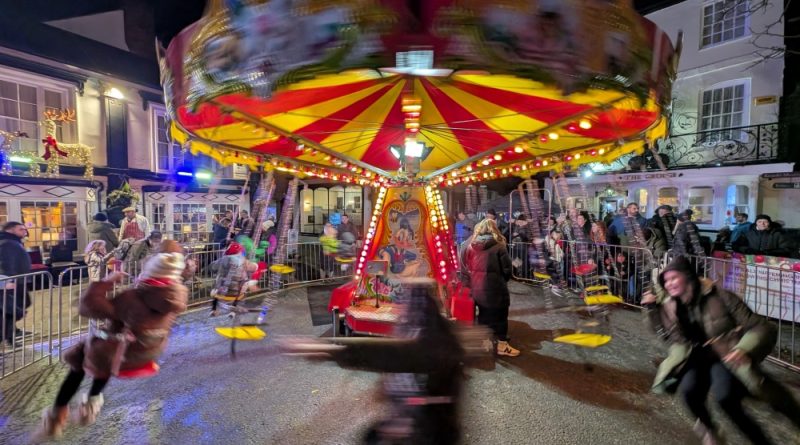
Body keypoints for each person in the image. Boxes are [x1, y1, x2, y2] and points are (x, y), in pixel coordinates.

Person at [280, 278, 466, 444]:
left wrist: (330, 349)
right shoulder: (419, 328)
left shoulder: (437, 341)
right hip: (414, 416)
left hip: (430, 428)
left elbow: (395, 354)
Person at [35, 241, 188, 440]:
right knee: (107, 359)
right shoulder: (178, 294)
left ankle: (57, 414)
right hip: (146, 351)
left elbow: (90, 308)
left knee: (82, 359)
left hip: (119, 352)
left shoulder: (132, 298)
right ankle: (91, 403)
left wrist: (107, 282)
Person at [642, 256, 800, 444]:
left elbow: (761, 326)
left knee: (727, 397)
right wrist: (652, 309)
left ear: (688, 276)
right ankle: (711, 431)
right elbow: (667, 336)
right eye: (666, 281)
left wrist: (743, 348)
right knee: (689, 392)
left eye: (673, 278)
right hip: (697, 357)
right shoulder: (671, 305)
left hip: (727, 353)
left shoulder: (721, 296)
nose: (669, 284)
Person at [462, 219, 519, 357]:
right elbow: (507, 270)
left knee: (483, 315)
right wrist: (501, 280)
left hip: (477, 288)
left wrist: (472, 283)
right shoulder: (499, 246)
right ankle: (502, 346)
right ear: (494, 229)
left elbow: (465, 267)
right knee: (500, 316)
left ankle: (485, 342)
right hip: (496, 288)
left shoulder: (470, 246)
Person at [0, 221, 32, 348]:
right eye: (21, 229)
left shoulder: (13, 242)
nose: (25, 231)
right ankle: (9, 337)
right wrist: (7, 282)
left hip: (17, 281)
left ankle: (11, 333)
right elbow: (5, 264)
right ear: (10, 230)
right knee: (10, 311)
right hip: (10, 283)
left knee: (18, 307)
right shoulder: (6, 243)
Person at [209, 242, 258, 317]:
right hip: (236, 291)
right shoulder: (244, 261)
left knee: (216, 288)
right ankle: (233, 310)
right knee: (242, 289)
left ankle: (214, 309)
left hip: (221, 291)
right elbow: (253, 267)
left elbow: (212, 266)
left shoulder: (222, 260)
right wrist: (256, 265)